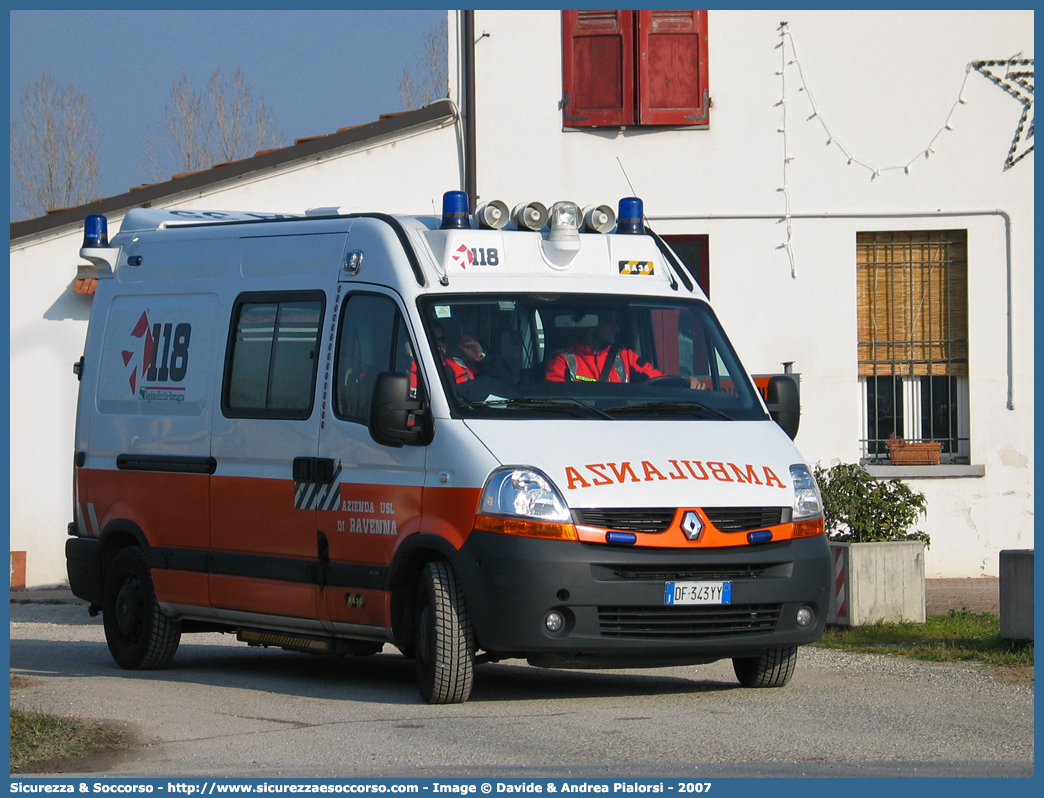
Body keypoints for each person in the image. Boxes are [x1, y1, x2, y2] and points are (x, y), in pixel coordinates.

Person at [544, 310, 706, 388]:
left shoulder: (626, 358)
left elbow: (661, 381)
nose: (617, 328)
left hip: (625, 426)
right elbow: (553, 404)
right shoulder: (562, 360)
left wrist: (686, 384)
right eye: (610, 322)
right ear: (591, 326)